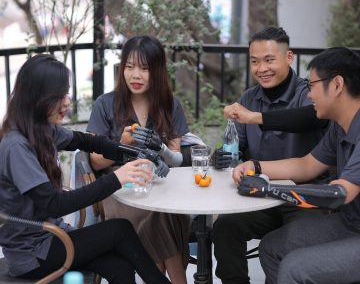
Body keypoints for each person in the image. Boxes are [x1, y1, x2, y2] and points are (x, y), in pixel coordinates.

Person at [0, 54, 171, 284]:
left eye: (66, 93)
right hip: (31, 254)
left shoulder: (41, 129)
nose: (67, 102)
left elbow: (88, 141)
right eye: (60, 96)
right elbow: (54, 204)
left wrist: (134, 153)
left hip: (51, 238)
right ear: (38, 98)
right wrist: (116, 179)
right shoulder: (16, 146)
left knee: (119, 267)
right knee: (119, 229)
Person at [211, 27, 330, 284]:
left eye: (269, 60)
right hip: (259, 196)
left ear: (289, 57)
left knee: (283, 248)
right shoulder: (249, 98)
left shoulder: (308, 93)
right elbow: (237, 150)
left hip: (304, 199)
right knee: (224, 228)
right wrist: (222, 156)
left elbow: (311, 117)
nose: (261, 68)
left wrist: (255, 117)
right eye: (255, 61)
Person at [233, 46, 360, 284]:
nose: (309, 95)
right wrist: (255, 166)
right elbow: (306, 165)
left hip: (353, 229)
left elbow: (339, 193)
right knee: (272, 247)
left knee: (295, 267)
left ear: (337, 85)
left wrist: (266, 188)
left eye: (312, 86)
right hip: (350, 223)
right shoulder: (339, 125)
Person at [87, 35, 190, 284]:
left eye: (144, 69)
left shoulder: (169, 105)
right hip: (118, 190)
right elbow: (94, 161)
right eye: (130, 67)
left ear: (157, 71)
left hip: (160, 186)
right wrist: (122, 145)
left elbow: (176, 159)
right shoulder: (106, 104)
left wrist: (161, 148)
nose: (136, 75)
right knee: (162, 214)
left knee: (167, 211)